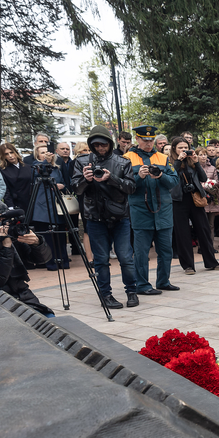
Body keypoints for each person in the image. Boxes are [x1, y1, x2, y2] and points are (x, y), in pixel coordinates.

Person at [70, 125, 139, 308]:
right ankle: (105, 295)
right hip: (95, 218)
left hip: (120, 217)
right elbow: (76, 188)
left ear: (109, 143)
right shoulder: (82, 161)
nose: (101, 148)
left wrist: (112, 179)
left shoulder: (122, 162)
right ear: (91, 145)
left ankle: (132, 291)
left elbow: (131, 188)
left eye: (104, 144)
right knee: (100, 259)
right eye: (96, 145)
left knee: (125, 257)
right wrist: (86, 179)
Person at [122, 125, 180, 295]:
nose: (148, 143)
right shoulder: (127, 158)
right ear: (137, 139)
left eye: (151, 140)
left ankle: (163, 281)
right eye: (145, 140)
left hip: (163, 211)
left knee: (165, 250)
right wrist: (138, 177)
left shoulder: (162, 157)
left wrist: (161, 175)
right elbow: (124, 185)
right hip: (141, 211)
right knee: (141, 252)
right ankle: (142, 285)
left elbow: (174, 181)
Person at [0, 195, 54, 316]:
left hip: (24, 298)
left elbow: (43, 260)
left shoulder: (9, 233)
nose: (3, 224)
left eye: (5, 220)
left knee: (51, 320)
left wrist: (37, 243)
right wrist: (5, 248)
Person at [169, 137, 219, 274]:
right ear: (174, 149)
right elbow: (170, 176)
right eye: (180, 148)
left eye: (185, 147)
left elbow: (204, 178)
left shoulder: (192, 161)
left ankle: (211, 261)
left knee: (204, 230)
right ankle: (188, 265)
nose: (183, 150)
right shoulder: (170, 161)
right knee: (183, 233)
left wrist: (196, 162)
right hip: (178, 200)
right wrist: (178, 160)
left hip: (195, 198)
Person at [29, 146, 69, 271]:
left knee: (61, 236)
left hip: (57, 205)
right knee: (48, 237)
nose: (47, 154)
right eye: (43, 153)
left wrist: (61, 185)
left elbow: (63, 181)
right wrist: (45, 162)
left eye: (48, 152)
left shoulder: (57, 167)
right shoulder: (36, 166)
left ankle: (64, 261)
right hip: (43, 206)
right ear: (38, 155)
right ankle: (51, 263)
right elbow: (38, 174)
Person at [0, 144, 34, 213]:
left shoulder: (28, 167)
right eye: (6, 154)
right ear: (3, 156)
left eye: (11, 152)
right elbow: (6, 190)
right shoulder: (3, 170)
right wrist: (10, 206)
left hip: (30, 201)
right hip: (16, 203)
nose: (10, 156)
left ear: (16, 152)